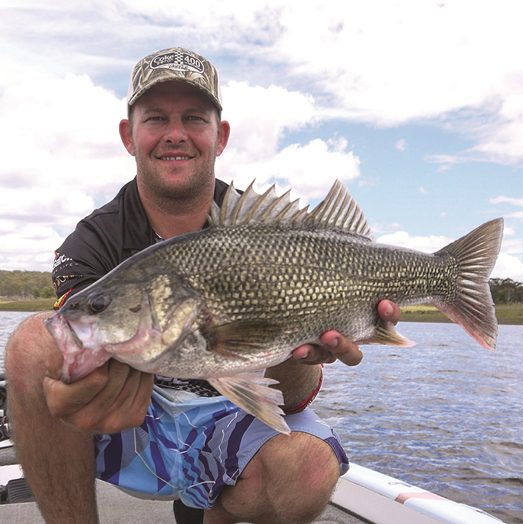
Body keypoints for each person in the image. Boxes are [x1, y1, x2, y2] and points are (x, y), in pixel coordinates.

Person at [5, 47, 400, 524]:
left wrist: (300, 354)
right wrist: (77, 392)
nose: (175, 134)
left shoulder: (266, 237)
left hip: (228, 413)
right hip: (133, 427)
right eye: (156, 118)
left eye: (194, 117)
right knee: (32, 342)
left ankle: (212, 511)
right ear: (129, 135)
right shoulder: (94, 241)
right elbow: (70, 338)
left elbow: (291, 400)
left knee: (311, 470)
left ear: (221, 135)